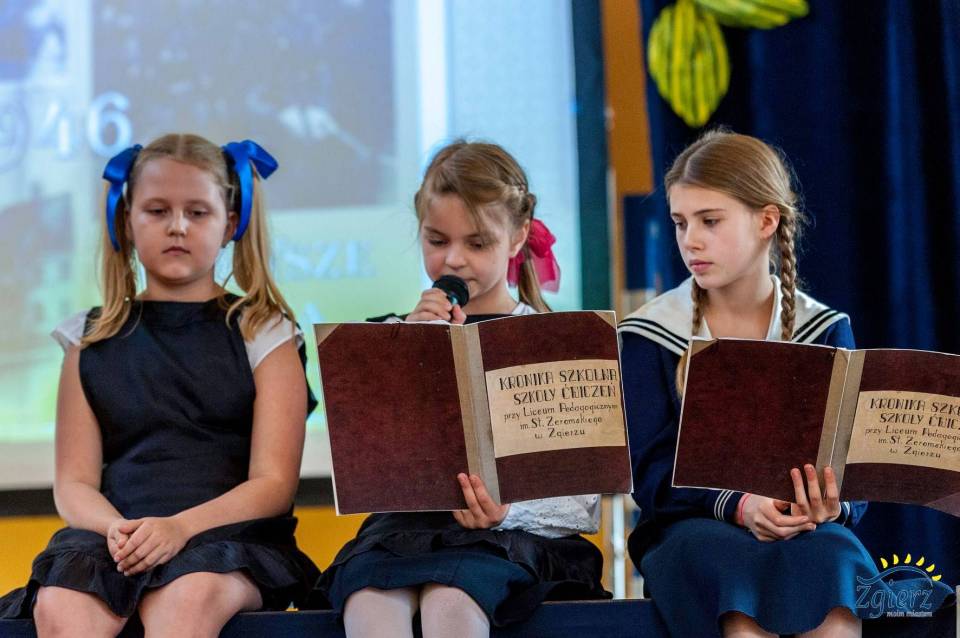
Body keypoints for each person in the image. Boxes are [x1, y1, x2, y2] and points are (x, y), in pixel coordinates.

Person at [0, 134, 319, 636]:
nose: (177, 226)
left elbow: (274, 485)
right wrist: (116, 530)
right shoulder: (88, 338)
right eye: (157, 210)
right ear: (125, 221)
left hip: (229, 538)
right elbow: (74, 483)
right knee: (61, 603)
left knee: (187, 598)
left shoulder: (266, 332)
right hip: (115, 536)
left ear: (230, 224)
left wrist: (179, 527)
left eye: (197, 212)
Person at [314, 140, 607, 637]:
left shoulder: (554, 340)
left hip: (513, 539)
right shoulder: (399, 331)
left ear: (517, 237)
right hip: (404, 534)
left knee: (451, 598)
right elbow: (369, 459)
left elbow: (582, 504)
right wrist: (408, 349)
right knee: (368, 601)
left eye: (477, 243)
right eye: (436, 240)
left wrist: (506, 511)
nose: (453, 259)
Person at [619, 130, 877, 637]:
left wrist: (828, 502)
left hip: (801, 528)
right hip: (690, 529)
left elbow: (853, 466)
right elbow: (650, 474)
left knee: (837, 564)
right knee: (733, 587)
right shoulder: (650, 332)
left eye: (710, 221)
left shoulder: (823, 329)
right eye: (680, 222)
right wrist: (739, 505)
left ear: (766, 221)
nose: (690, 240)